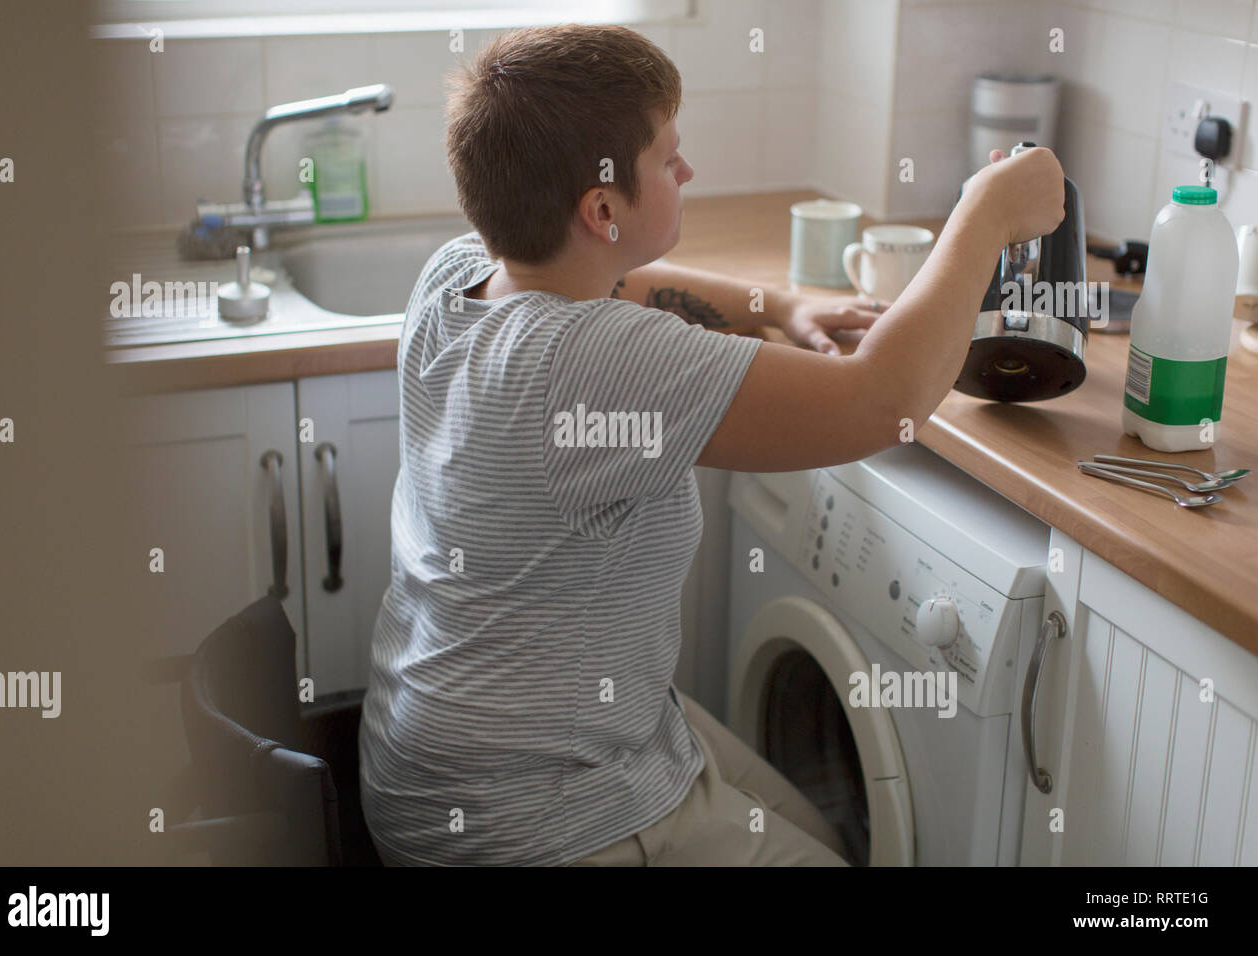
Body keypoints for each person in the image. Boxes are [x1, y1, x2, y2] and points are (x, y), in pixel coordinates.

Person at [357, 23, 1065, 867]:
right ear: (603, 208)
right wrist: (981, 218)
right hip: (531, 818)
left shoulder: (457, 276)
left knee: (816, 830)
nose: (687, 171)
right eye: (668, 157)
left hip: (432, 757)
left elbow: (621, 280)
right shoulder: (591, 362)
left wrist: (777, 306)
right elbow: (886, 401)